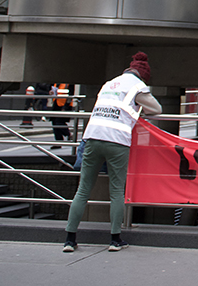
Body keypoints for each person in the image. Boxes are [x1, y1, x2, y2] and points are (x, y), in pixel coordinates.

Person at [63, 52, 161, 253]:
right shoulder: (137, 86)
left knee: (83, 190)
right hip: (117, 140)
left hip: (92, 137)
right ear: (143, 75)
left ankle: (69, 240)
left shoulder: (109, 84)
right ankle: (115, 240)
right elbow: (156, 109)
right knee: (116, 191)